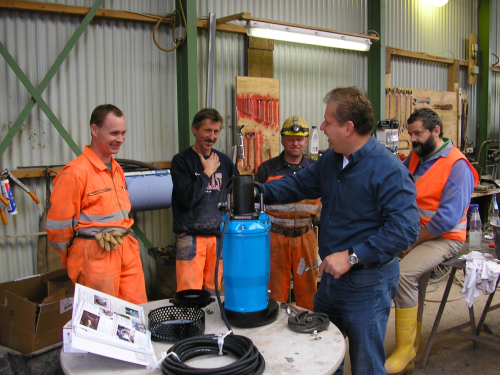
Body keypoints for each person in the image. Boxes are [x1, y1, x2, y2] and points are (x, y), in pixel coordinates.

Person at [260, 86, 420, 375]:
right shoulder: (331, 162)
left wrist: (351, 256)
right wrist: (257, 191)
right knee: (322, 354)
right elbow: (297, 185)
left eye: (327, 122)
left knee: (366, 364)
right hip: (331, 281)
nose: (321, 128)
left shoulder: (388, 170)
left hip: (368, 282)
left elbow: (404, 231)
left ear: (348, 128)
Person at [384, 108, 478, 374]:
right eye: (410, 134)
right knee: (410, 283)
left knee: (403, 276)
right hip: (418, 233)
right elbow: (398, 183)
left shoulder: (458, 166)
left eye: (418, 134)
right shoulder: (417, 156)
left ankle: (405, 349)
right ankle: (411, 347)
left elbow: (446, 220)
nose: (412, 139)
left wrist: (411, 242)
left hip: (445, 238)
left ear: (436, 131)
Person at [46, 104, 147, 305]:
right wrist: (78, 252)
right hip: (95, 253)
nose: (120, 139)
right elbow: (58, 229)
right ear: (94, 130)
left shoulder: (116, 168)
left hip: (125, 247)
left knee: (135, 312)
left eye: (123, 133)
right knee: (102, 319)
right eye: (114, 133)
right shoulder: (75, 173)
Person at [255, 115, 320, 310]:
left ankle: (308, 324)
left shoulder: (315, 169)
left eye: (299, 139)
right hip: (275, 238)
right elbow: (257, 209)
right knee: (275, 290)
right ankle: (276, 330)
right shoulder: (266, 169)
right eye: (290, 138)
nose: (295, 143)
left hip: (306, 238)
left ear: (306, 141)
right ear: (282, 140)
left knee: (308, 288)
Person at [170, 108, 239, 294]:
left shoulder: (223, 161)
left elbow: (238, 191)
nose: (212, 136)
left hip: (217, 237)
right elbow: (187, 199)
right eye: (207, 130)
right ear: (195, 129)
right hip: (189, 237)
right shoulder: (181, 162)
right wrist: (207, 173)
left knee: (214, 292)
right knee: (188, 293)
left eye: (216, 131)